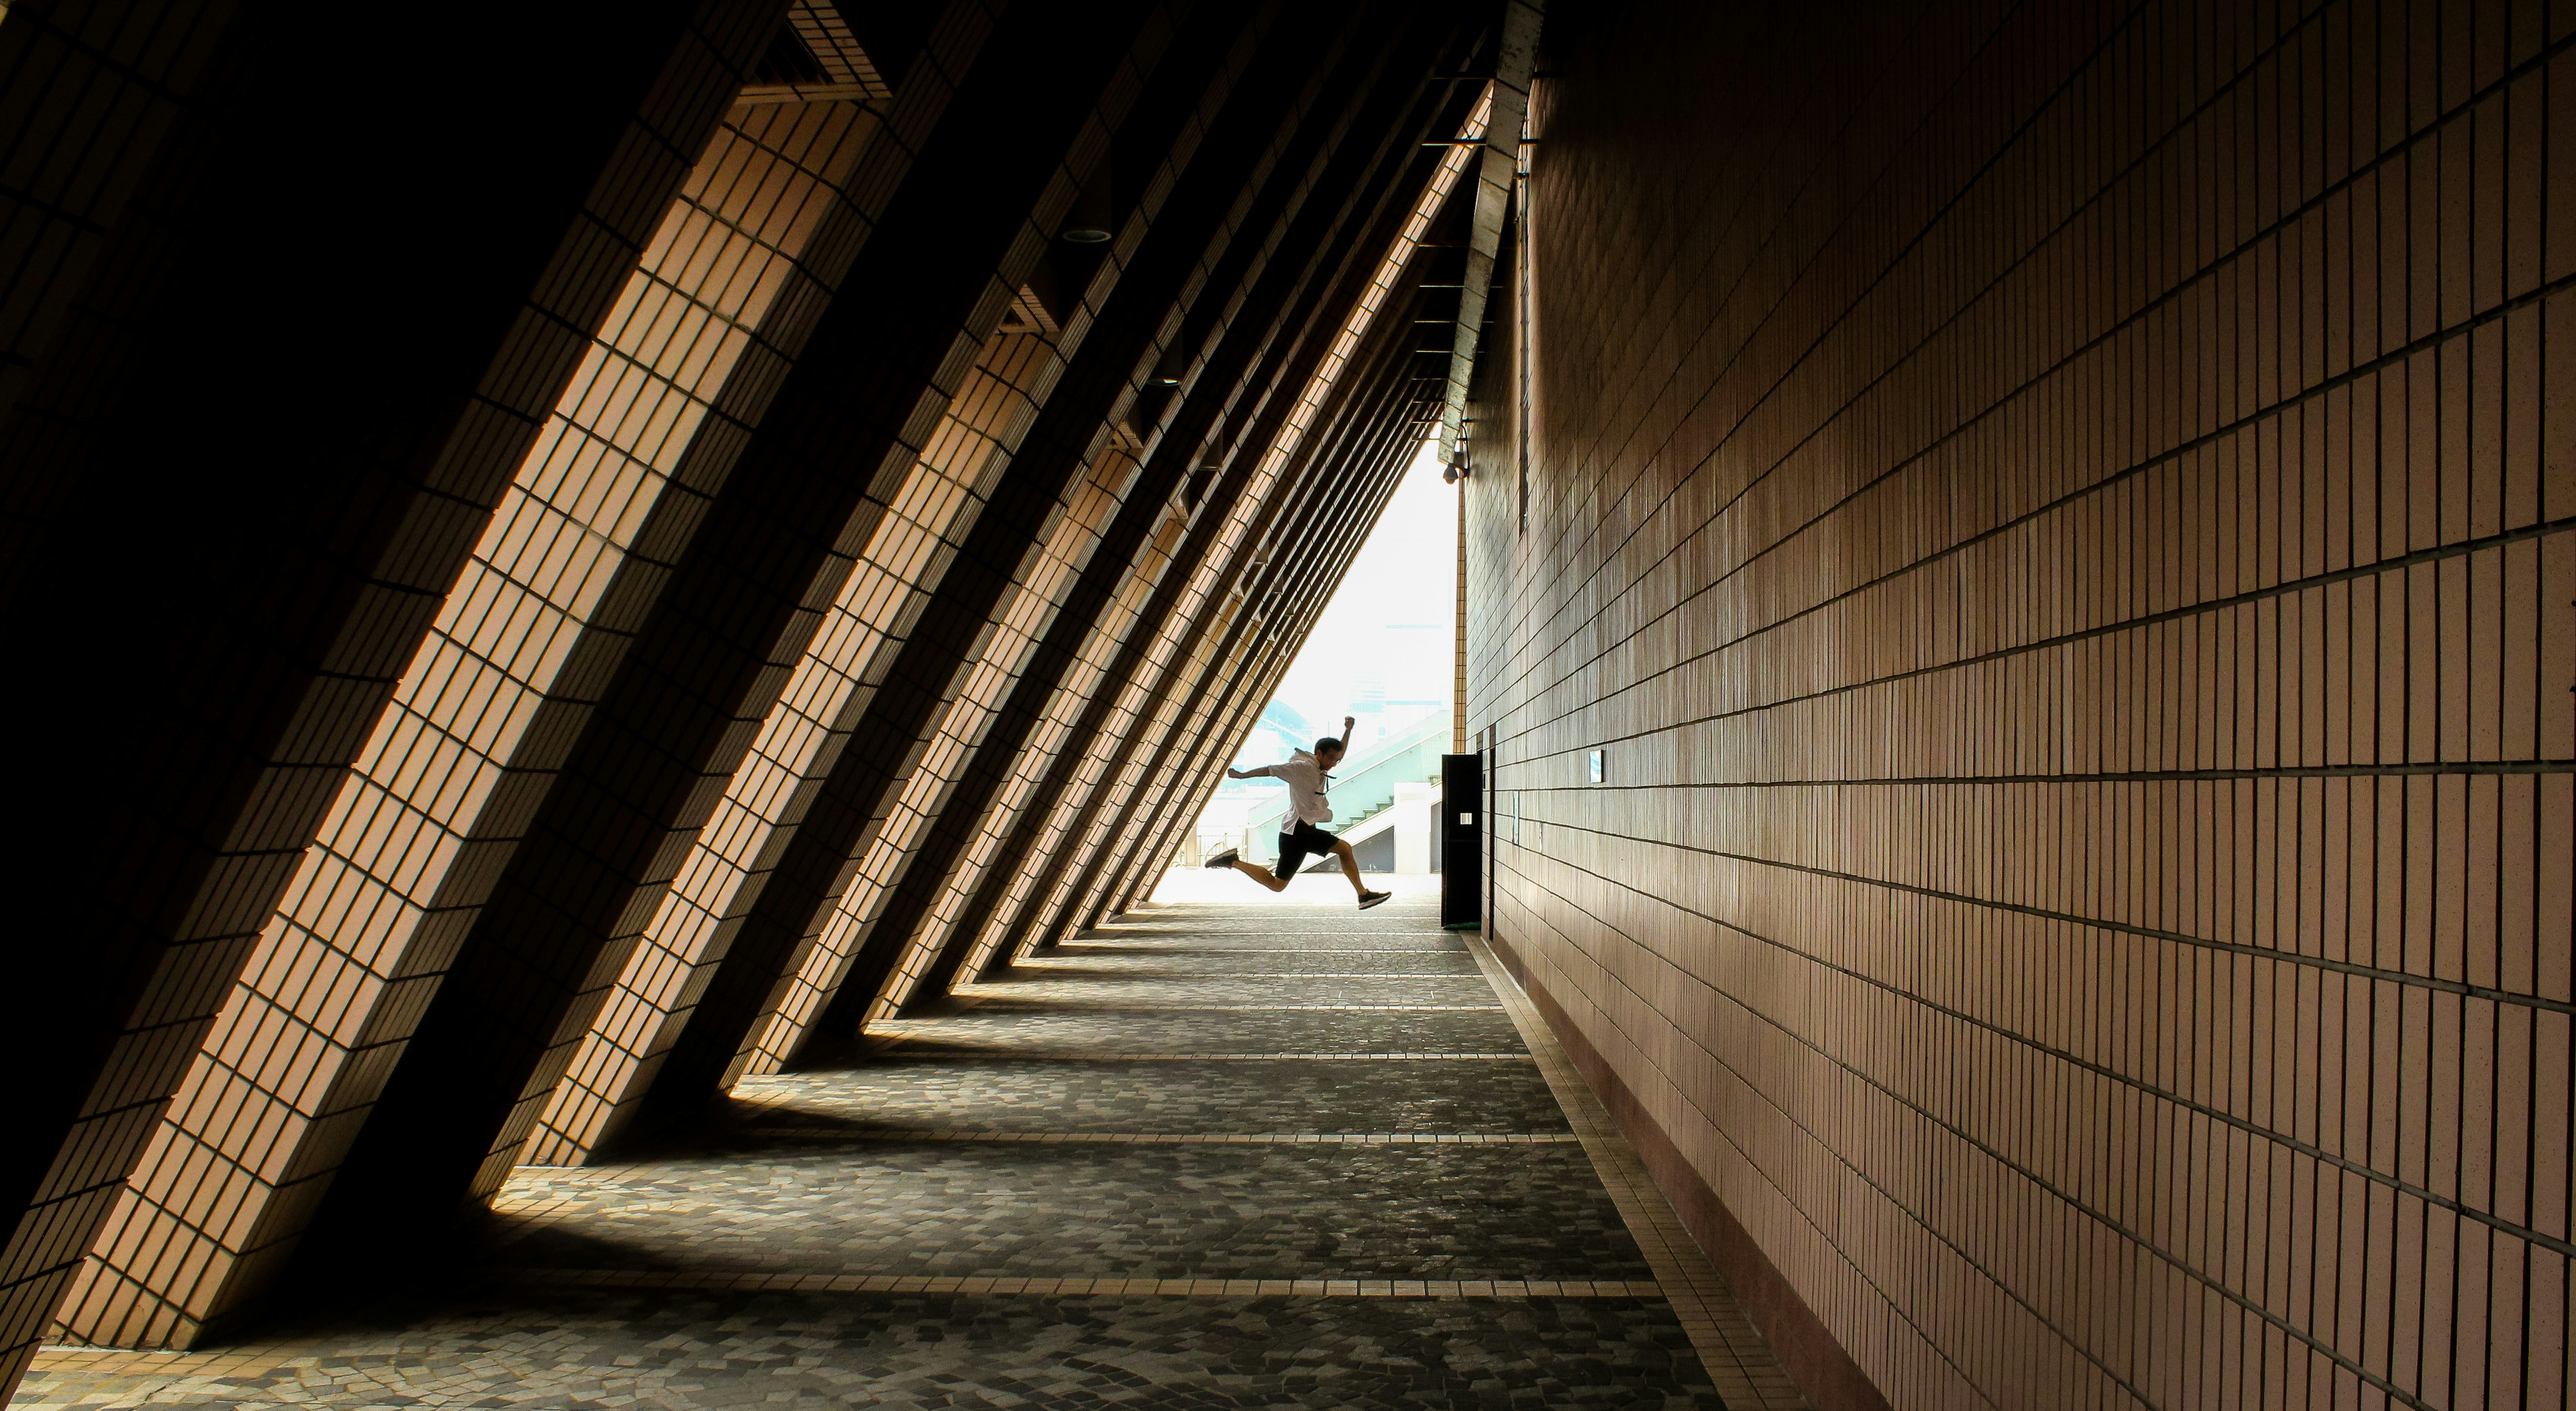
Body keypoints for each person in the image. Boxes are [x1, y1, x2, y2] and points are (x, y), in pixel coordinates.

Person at [1204, 714, 1391, 909]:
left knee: (1277, 885)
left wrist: (1348, 730)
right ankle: (1363, 895)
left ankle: (1232, 861)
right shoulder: (1302, 768)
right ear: (1318, 753)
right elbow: (1271, 770)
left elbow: (1341, 753)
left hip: (1300, 833)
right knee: (1344, 849)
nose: (1334, 763)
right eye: (1330, 758)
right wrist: (1242, 776)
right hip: (1298, 833)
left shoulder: (1321, 767)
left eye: (1336, 760)